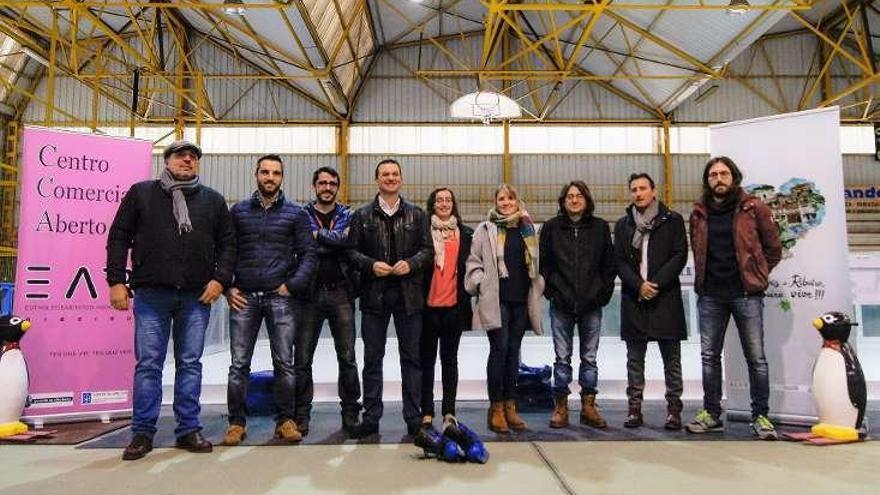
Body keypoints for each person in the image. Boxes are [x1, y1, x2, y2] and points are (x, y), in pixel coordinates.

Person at [106, 140, 235, 460]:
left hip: (196, 297)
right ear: (166, 161)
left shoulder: (213, 201)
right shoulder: (142, 193)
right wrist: (115, 282)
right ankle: (142, 433)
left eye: (193, 157)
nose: (188, 160)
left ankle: (188, 429)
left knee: (190, 364)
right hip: (151, 294)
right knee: (149, 364)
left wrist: (220, 280)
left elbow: (228, 244)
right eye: (181, 156)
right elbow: (118, 236)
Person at [222, 154, 317, 446]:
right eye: (265, 172)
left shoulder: (296, 213)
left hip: (280, 298)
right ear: (256, 175)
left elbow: (308, 254)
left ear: (282, 178)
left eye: (276, 173)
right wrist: (228, 287)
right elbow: (225, 251)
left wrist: (292, 285)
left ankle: (285, 421)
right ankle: (236, 423)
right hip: (245, 298)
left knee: (284, 364)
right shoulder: (238, 212)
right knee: (239, 364)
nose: (270, 177)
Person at [687, 156, 782, 440]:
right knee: (708, 357)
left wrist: (757, 273)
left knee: (756, 358)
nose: (719, 178)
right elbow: (698, 249)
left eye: (724, 173)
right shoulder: (698, 213)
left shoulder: (754, 208)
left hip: (746, 294)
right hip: (710, 295)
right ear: (708, 180)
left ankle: (761, 416)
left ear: (734, 177)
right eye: (713, 174)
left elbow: (773, 248)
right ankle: (711, 414)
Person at [347, 159, 433, 438]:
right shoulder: (361, 216)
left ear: (401, 179)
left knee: (412, 359)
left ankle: (413, 417)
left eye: (395, 174)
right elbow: (351, 253)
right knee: (372, 359)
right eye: (385, 174)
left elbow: (428, 250)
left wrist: (413, 263)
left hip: (409, 297)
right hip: (375, 296)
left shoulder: (417, 215)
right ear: (377, 180)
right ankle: (371, 417)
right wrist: (370, 264)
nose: (391, 178)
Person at [466, 184, 544, 434]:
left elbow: (537, 261)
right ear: (495, 202)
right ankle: (496, 407)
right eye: (502, 198)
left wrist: (539, 283)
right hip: (496, 299)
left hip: (521, 299)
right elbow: (473, 262)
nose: (506, 202)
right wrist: (481, 282)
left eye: (510, 198)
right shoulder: (485, 229)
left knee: (514, 352)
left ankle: (511, 406)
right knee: (499, 351)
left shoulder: (527, 228)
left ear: (517, 201)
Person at [539, 181, 616, 429]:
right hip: (561, 303)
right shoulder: (551, 228)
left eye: (579, 195)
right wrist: (552, 292)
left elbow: (609, 265)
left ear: (586, 199)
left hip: (591, 305)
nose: (574, 200)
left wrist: (601, 295)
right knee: (562, 358)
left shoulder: (600, 227)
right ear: (563, 201)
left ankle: (588, 406)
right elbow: (544, 264)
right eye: (570, 196)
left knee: (589, 358)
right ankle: (560, 406)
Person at [614, 173, 687, 430]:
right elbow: (620, 261)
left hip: (665, 298)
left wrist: (655, 284)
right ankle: (634, 409)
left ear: (653, 191)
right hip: (635, 299)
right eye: (633, 189)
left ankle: (674, 410)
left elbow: (679, 255)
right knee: (635, 360)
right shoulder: (623, 225)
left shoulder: (673, 221)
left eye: (643, 188)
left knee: (672, 360)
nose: (638, 193)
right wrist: (639, 285)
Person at [294, 166, 362, 437]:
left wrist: (320, 238)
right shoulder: (302, 215)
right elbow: (305, 246)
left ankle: (350, 414)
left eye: (332, 183)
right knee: (302, 359)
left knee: (347, 358)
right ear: (314, 186)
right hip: (309, 295)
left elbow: (347, 242)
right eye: (322, 183)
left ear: (338, 187)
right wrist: (334, 242)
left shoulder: (348, 214)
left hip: (341, 293)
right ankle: (301, 415)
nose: (327, 187)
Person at [420, 187, 473, 427]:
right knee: (426, 361)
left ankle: (449, 411)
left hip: (454, 307)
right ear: (432, 204)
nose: (444, 203)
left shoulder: (465, 234)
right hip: (427, 308)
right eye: (439, 200)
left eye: (448, 200)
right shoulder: (422, 232)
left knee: (449, 361)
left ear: (454, 204)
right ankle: (427, 410)